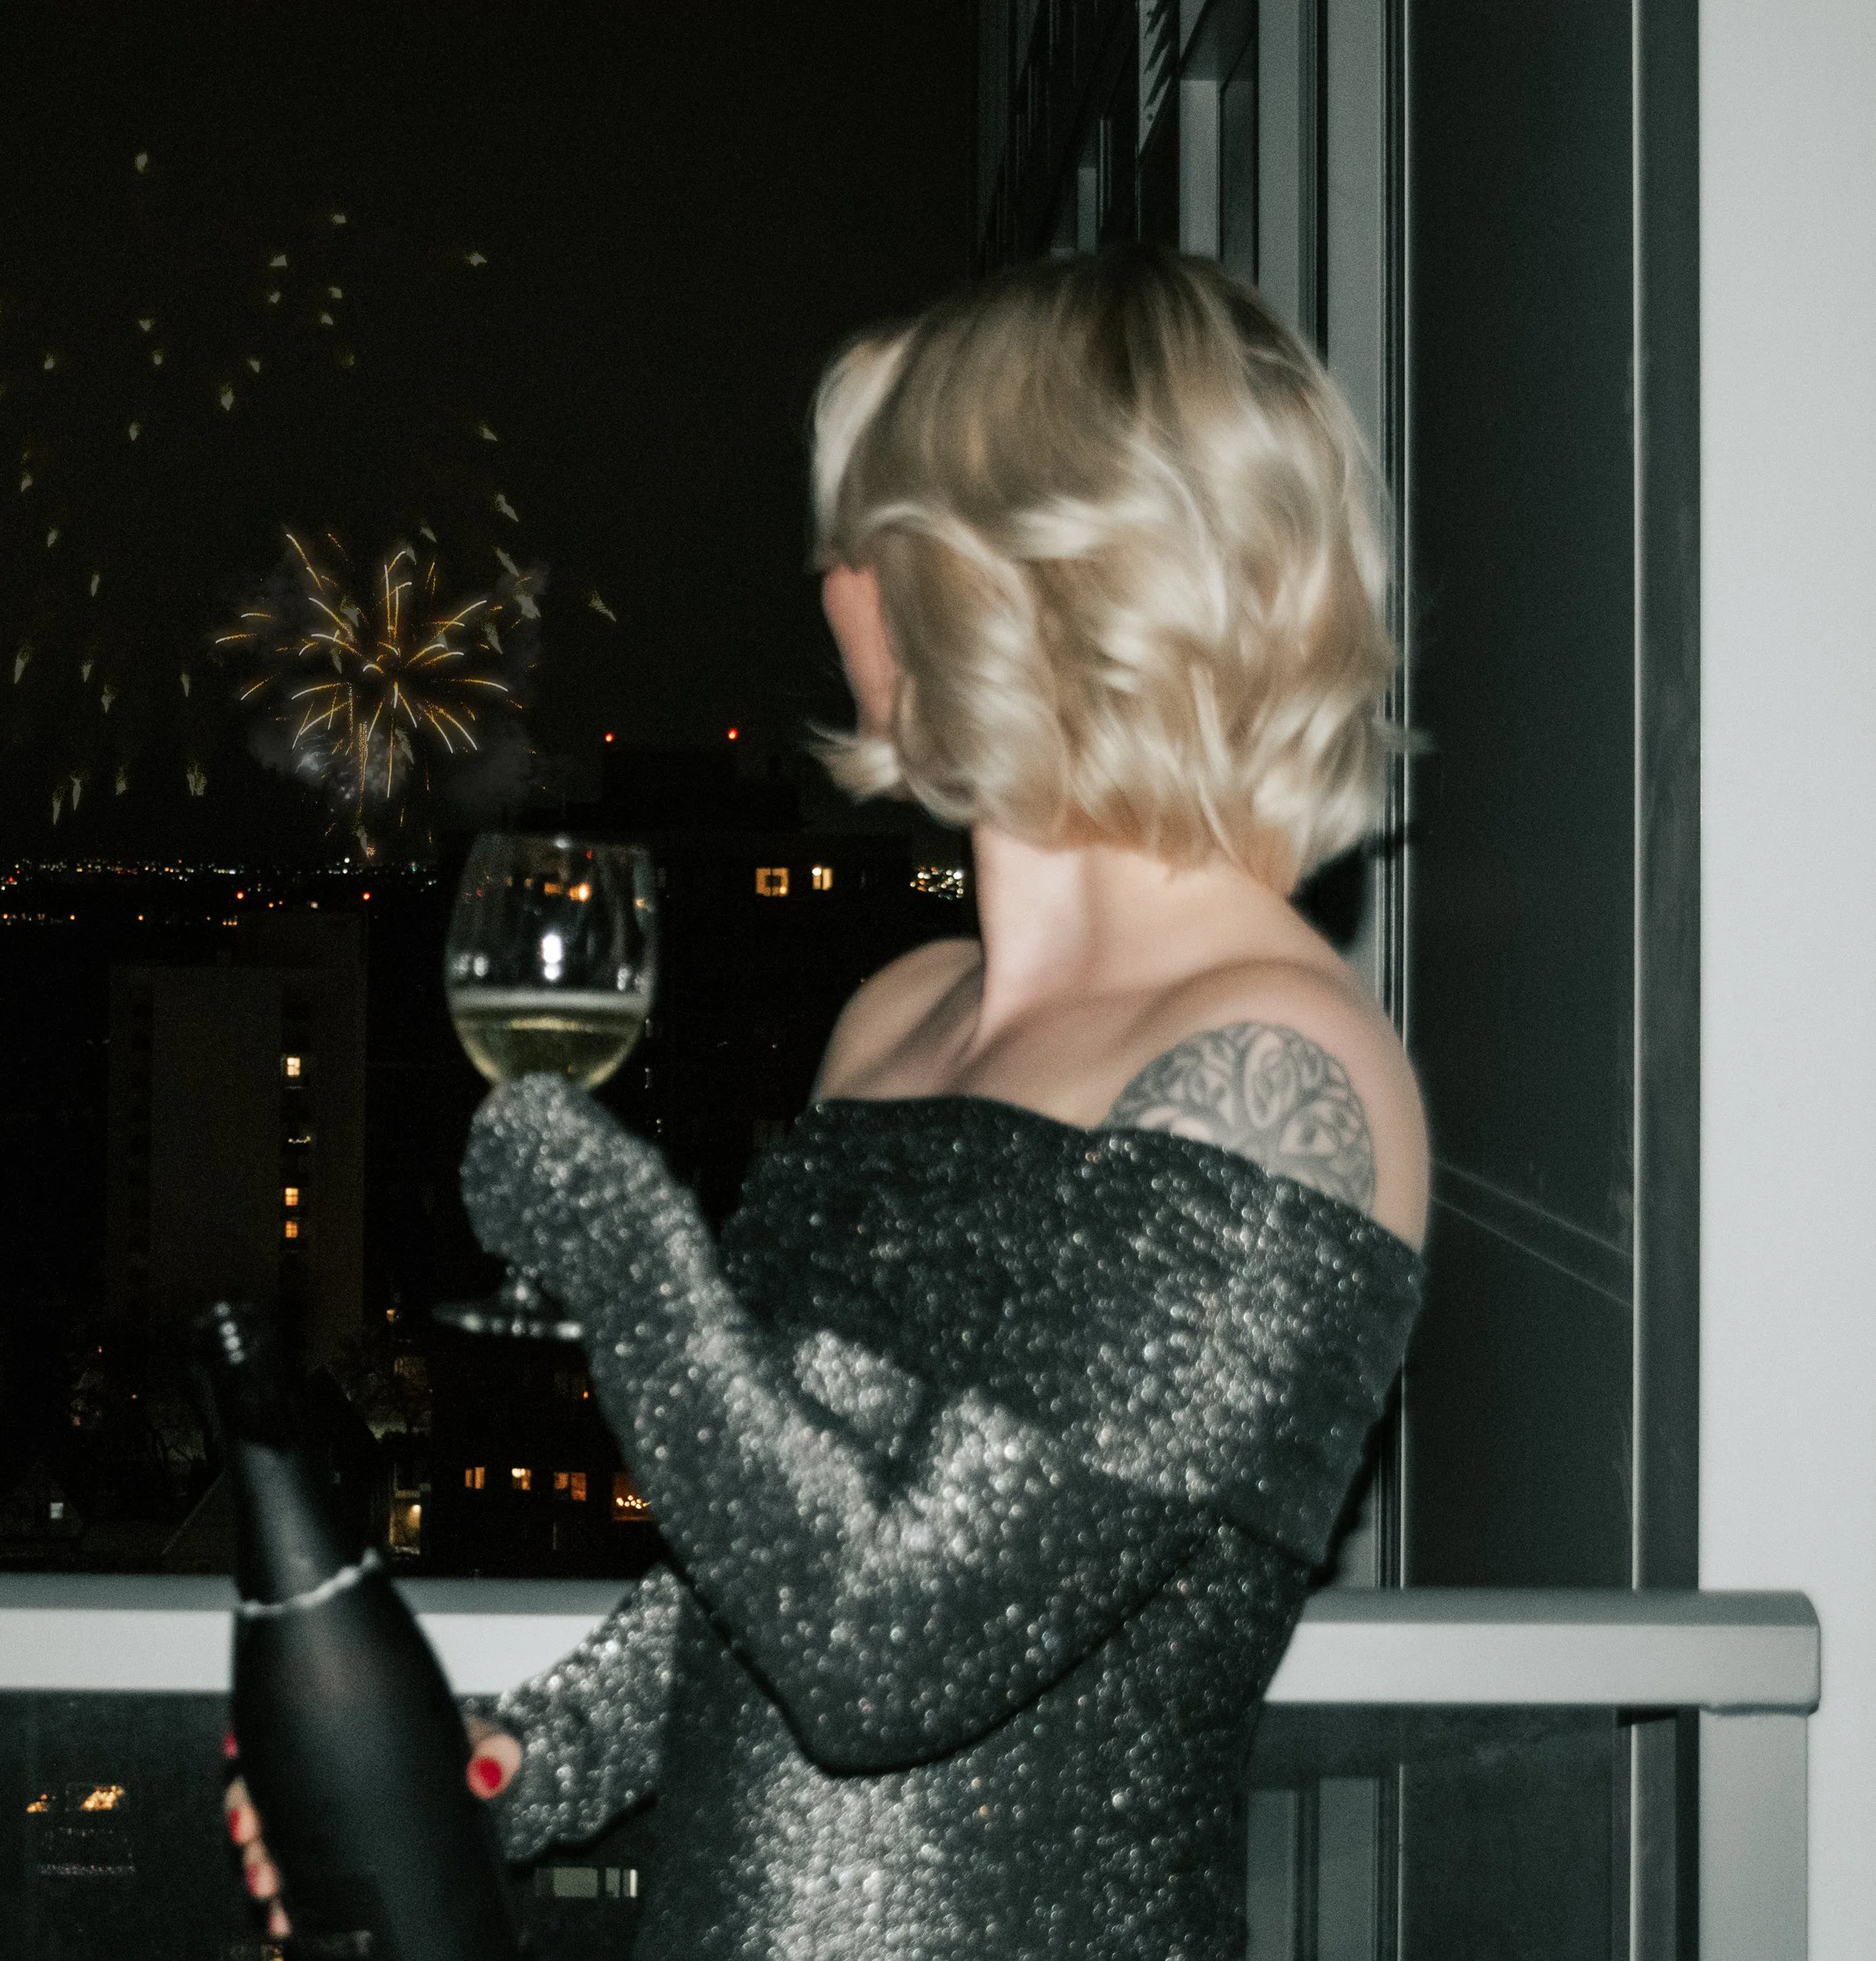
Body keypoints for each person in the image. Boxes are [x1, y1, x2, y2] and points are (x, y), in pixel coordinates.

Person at [229, 244, 1428, 1958]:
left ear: (1009, 567)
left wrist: (615, 1234)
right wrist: (495, 1763)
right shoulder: (893, 1012)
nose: (825, 583)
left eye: (862, 530)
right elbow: (767, 1547)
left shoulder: (1273, 1073)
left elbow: (882, 1643)